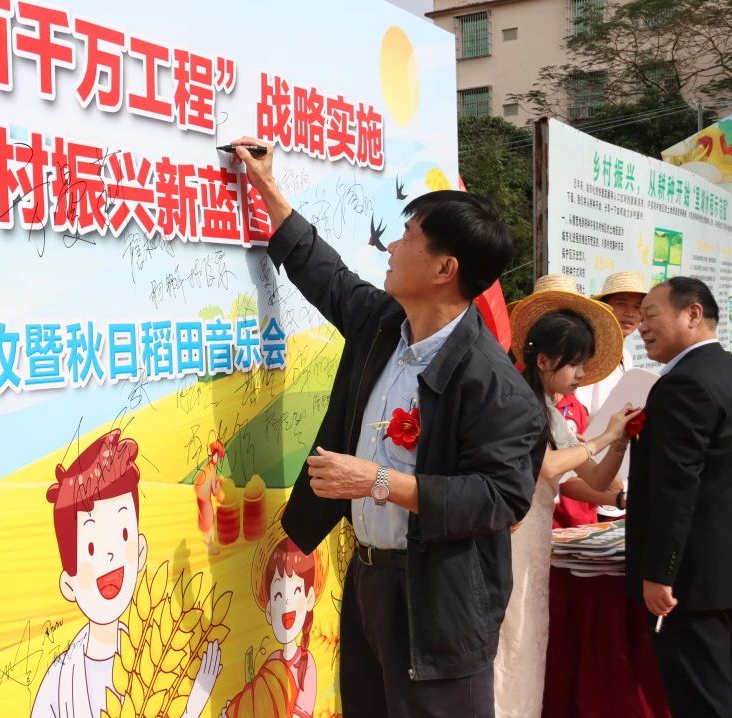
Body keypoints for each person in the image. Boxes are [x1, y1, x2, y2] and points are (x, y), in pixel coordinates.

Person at [229, 136, 547, 717]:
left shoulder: (494, 383)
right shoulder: (383, 326)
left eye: (408, 237)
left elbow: (501, 498)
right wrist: (267, 186)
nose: (393, 246)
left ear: (445, 269)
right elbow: (324, 273)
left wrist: (377, 481)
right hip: (370, 581)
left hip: (441, 601)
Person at [495, 286, 639, 718]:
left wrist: (619, 441)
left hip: (536, 542)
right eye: (575, 363)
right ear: (544, 361)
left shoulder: (551, 411)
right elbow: (547, 466)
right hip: (511, 540)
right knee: (510, 639)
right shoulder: (517, 405)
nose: (581, 374)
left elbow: (593, 478)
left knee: (530, 638)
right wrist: (603, 437)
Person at [33, 429, 222, 718]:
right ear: (69, 584)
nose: (110, 555)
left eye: (122, 535)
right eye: (92, 546)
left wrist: (194, 706)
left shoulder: (157, 656)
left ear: (140, 551)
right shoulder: (59, 682)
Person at [627, 277, 732, 717]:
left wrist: (660, 573)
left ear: (692, 314)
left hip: (691, 583)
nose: (641, 327)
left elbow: (676, 486)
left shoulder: (684, 384)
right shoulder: (727, 370)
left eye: (651, 315)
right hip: (722, 572)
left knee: (702, 701)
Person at [222, 508, 327, 718]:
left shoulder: (306, 666)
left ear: (309, 598)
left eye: (295, 591)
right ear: (269, 610)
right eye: (278, 595)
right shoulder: (272, 663)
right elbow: (257, 704)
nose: (286, 601)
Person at [576, 271, 649, 522]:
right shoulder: (592, 358)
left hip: (619, 471)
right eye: (621, 304)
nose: (630, 313)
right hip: (589, 475)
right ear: (605, 308)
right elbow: (578, 421)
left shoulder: (626, 357)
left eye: (637, 307)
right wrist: (602, 468)